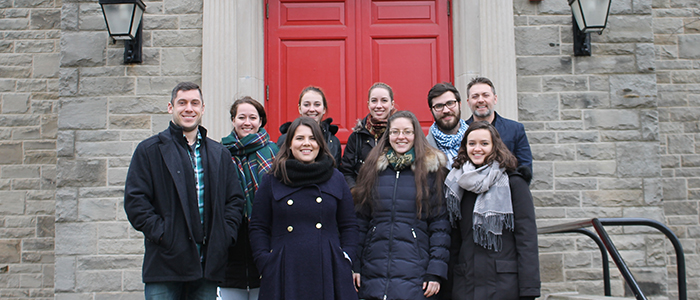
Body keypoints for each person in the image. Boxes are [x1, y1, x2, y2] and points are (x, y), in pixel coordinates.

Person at [124, 82, 245, 299]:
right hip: (164, 264)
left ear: (202, 109)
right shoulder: (149, 150)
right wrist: (164, 234)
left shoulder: (219, 154)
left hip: (208, 266)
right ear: (171, 107)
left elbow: (234, 200)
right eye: (182, 103)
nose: (189, 108)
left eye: (194, 103)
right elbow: (136, 201)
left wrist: (225, 235)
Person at [249, 117, 359, 300]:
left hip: (329, 268)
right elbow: (258, 226)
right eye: (299, 138)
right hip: (284, 270)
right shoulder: (272, 179)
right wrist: (265, 262)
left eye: (312, 138)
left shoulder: (336, 178)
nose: (306, 144)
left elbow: (349, 225)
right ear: (289, 143)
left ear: (320, 144)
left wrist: (345, 259)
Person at [352, 110, 450, 300]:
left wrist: (435, 272)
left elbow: (440, 226)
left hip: (415, 270)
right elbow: (361, 221)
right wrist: (355, 264)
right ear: (388, 136)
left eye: (407, 132)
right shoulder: (373, 169)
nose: (401, 137)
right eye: (395, 132)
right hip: (374, 268)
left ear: (416, 135)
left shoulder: (431, 172)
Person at [444, 121, 540, 300]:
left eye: (484, 143)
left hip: (504, 285)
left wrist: (529, 290)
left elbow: (526, 240)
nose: (477, 149)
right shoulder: (457, 186)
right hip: (466, 285)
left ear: (495, 146)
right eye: (471, 144)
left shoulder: (514, 184)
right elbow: (455, 241)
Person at [220, 97, 279, 300]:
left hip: (266, 237)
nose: (247, 122)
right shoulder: (221, 152)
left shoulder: (275, 152)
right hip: (233, 243)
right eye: (241, 117)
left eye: (253, 117)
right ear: (233, 120)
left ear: (261, 121)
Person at [465, 77, 532, 173]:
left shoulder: (515, 129)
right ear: (468, 102)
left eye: (485, 95)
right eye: (475, 96)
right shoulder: (461, 130)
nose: (480, 100)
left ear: (495, 99)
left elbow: (525, 167)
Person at [340, 82, 397, 187]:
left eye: (384, 100)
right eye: (374, 101)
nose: (378, 106)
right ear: (368, 104)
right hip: (364, 199)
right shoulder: (357, 136)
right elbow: (346, 171)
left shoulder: (400, 135)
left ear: (392, 104)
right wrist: (355, 193)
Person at [277, 86, 342, 165]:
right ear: (299, 108)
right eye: (306, 105)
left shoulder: (333, 142)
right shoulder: (284, 139)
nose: (311, 109)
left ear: (324, 109)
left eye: (317, 104)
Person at [426, 82, 468, 169]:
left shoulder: (478, 141)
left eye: (450, 103)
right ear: (431, 111)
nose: (446, 110)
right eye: (439, 106)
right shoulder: (423, 148)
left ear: (459, 104)